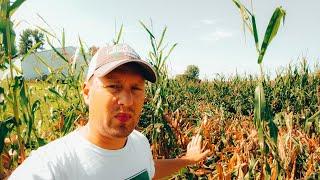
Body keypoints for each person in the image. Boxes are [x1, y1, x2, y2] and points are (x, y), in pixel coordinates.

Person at [9, 43, 210, 180]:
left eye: (136, 88)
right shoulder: (52, 166)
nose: (127, 100)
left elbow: (149, 169)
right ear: (87, 93)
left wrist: (188, 160)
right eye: (114, 86)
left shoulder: (139, 143)